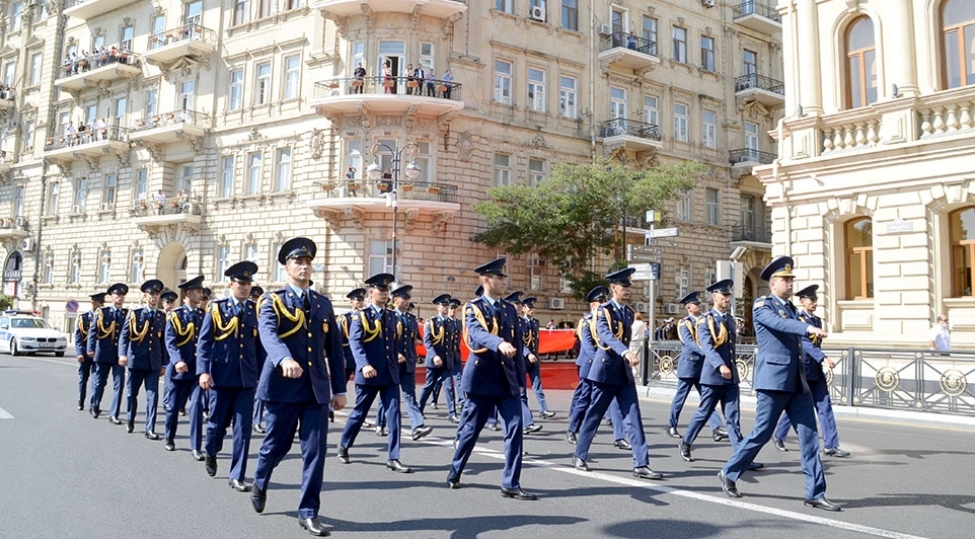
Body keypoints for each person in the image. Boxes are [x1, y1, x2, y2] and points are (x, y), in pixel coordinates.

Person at [717, 256, 839, 512]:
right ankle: (729, 472)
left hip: (797, 383)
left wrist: (815, 345)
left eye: (791, 279)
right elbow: (779, 324)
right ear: (773, 283)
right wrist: (807, 329)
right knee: (761, 433)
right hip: (773, 382)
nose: (791, 283)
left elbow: (796, 335)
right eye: (786, 279)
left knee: (809, 438)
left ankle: (815, 493)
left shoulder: (793, 310)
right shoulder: (763, 305)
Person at [250, 238, 347, 537]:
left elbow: (335, 350)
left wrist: (340, 389)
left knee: (315, 452)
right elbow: (268, 335)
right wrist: (283, 360)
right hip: (283, 386)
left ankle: (308, 511)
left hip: (315, 389)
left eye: (308, 262)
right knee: (275, 446)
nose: (304, 267)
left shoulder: (322, 303)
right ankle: (261, 477)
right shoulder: (271, 301)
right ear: (286, 267)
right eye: (298, 262)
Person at [448, 258, 536, 499]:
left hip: (507, 381)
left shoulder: (509, 309)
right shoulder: (473, 307)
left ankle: (511, 483)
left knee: (515, 429)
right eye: (499, 278)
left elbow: (517, 346)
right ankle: (456, 469)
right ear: (487, 280)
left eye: (504, 278)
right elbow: (476, 334)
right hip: (482, 380)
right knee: (470, 431)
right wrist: (499, 343)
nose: (504, 282)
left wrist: (520, 380)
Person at [573, 267, 662, 480]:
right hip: (605, 370)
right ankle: (580, 454)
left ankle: (641, 463)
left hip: (623, 372)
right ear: (614, 288)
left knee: (633, 417)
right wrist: (625, 352)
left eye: (629, 286)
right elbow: (606, 335)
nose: (627, 289)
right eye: (623, 286)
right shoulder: (602, 311)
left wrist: (627, 354)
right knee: (594, 414)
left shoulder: (629, 313)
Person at [197, 261, 265, 492]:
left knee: (243, 429)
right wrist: (203, 371)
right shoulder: (216, 309)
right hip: (221, 377)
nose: (245, 288)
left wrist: (263, 375)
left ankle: (237, 474)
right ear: (231, 284)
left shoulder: (256, 309)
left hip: (247, 378)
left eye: (248, 284)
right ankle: (211, 451)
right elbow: (205, 342)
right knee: (217, 424)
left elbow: (261, 347)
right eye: (241, 283)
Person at [337, 273, 415, 473]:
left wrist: (398, 354)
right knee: (359, 414)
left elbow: (393, 342)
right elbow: (355, 342)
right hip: (369, 373)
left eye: (386, 290)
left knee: (394, 415)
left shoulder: (391, 316)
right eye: (381, 290)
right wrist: (363, 365)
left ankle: (393, 457)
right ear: (372, 293)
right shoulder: (361, 315)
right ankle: (344, 444)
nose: (384, 293)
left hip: (389, 374)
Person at [677, 281, 756, 469]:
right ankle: (686, 442)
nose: (727, 299)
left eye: (729, 296)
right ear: (714, 297)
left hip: (730, 377)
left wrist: (730, 368)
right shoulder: (705, 320)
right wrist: (720, 366)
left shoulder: (729, 320)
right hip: (713, 376)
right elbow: (707, 347)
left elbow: (730, 349)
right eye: (724, 296)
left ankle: (741, 457)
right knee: (704, 413)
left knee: (733, 417)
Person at [772, 285, 850, 457]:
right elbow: (805, 344)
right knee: (796, 405)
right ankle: (779, 434)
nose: (814, 303)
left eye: (815, 300)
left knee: (825, 406)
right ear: (802, 302)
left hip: (815, 371)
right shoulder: (798, 320)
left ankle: (830, 445)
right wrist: (823, 358)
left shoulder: (817, 321)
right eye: (811, 300)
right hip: (802, 370)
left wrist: (820, 361)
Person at [566, 286, 628, 449]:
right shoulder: (585, 322)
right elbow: (587, 345)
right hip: (589, 364)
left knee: (614, 400)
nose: (603, 304)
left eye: (604, 301)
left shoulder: (609, 319)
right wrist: (599, 361)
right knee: (585, 397)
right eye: (599, 302)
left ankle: (619, 436)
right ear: (592, 305)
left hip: (607, 365)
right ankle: (572, 429)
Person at [667, 291, 728, 442]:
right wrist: (706, 352)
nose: (699, 306)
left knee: (708, 399)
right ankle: (672, 425)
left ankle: (716, 428)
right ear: (688, 307)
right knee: (680, 398)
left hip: (702, 367)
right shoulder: (684, 323)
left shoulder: (704, 320)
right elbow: (688, 342)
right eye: (696, 304)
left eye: (699, 304)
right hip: (689, 366)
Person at [377, 285, 432, 441]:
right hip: (392, 363)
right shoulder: (388, 316)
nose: (407, 302)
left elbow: (415, 337)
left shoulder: (411, 318)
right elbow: (385, 340)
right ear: (395, 300)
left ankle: (417, 426)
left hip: (408, 363)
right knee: (387, 396)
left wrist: (417, 342)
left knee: (410, 395)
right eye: (404, 298)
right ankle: (380, 423)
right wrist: (396, 354)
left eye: (408, 299)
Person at [163, 275, 207, 460]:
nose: (201, 294)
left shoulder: (203, 315)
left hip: (197, 371)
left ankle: (196, 446)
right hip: (180, 372)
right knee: (173, 408)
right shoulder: (175, 315)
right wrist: (177, 360)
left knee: (196, 407)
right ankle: (169, 437)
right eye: (198, 291)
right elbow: (170, 341)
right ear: (188, 293)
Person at [119, 279, 168, 439]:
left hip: (153, 363)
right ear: (145, 296)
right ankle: (130, 418)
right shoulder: (135, 314)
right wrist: (123, 354)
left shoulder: (162, 316)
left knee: (152, 396)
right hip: (136, 361)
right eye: (151, 295)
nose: (154, 297)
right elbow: (124, 336)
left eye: (157, 294)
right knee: (131, 394)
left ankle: (150, 428)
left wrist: (164, 364)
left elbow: (164, 343)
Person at [87, 283, 129, 423]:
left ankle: (114, 414)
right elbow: (93, 332)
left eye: (122, 295)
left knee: (119, 384)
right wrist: (90, 348)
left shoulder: (127, 314)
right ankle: (95, 404)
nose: (120, 297)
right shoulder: (102, 312)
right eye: (117, 295)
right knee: (100, 382)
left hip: (119, 355)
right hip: (103, 352)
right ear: (111, 297)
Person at [418, 294, 458, 423]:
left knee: (448, 387)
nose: (446, 308)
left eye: (447, 306)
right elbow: (427, 341)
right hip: (434, 361)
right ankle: (419, 408)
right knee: (429, 385)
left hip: (447, 361)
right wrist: (434, 356)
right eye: (443, 306)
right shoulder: (432, 322)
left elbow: (451, 343)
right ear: (438, 307)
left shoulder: (451, 323)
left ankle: (452, 413)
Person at [521, 296, 555, 420]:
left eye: (533, 308)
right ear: (523, 309)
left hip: (534, 359)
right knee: (522, 388)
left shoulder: (536, 322)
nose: (532, 310)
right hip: (523, 359)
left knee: (538, 385)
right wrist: (527, 353)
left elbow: (535, 341)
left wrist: (535, 354)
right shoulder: (519, 322)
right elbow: (519, 341)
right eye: (529, 308)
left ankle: (543, 409)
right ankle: (524, 413)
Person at [75, 292, 105, 410]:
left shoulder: (104, 318)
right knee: (83, 379)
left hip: (98, 354)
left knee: (96, 380)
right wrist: (79, 353)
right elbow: (78, 337)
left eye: (102, 303)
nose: (101, 305)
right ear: (93, 302)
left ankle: (93, 403)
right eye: (99, 303)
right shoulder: (83, 317)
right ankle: (80, 400)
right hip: (84, 354)